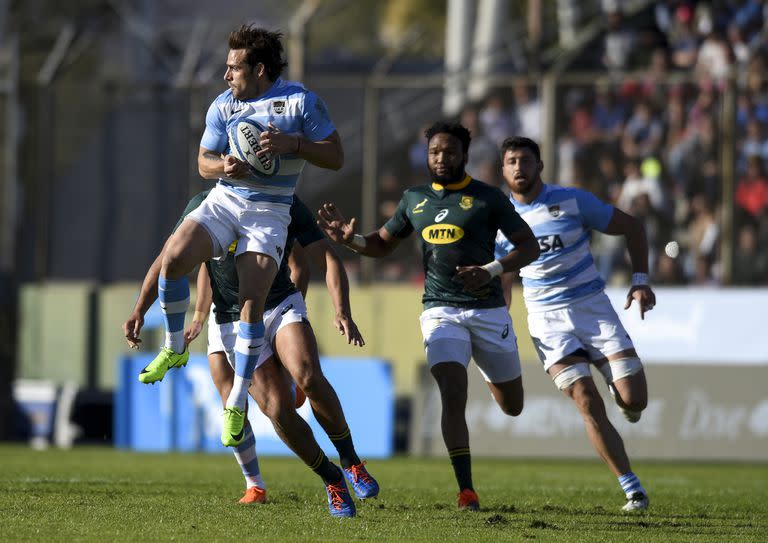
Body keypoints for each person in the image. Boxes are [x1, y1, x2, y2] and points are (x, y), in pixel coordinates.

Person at [136, 25, 344, 449]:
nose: (226, 76)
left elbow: (336, 156)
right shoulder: (223, 106)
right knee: (174, 258)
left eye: (234, 68)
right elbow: (202, 163)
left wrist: (295, 144)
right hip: (226, 198)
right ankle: (175, 346)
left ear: (259, 68)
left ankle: (235, 400)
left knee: (251, 301)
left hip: (269, 211)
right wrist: (224, 168)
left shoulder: (301, 102)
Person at [318, 121, 539, 511]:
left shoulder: (488, 198)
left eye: (449, 152)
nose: (441, 158)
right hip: (440, 310)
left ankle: (489, 369)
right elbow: (382, 245)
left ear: (464, 156)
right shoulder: (413, 199)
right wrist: (349, 239)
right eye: (435, 152)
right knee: (452, 392)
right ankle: (466, 490)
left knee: (513, 405)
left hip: (488, 311)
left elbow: (529, 247)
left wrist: (490, 270)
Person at [123, 192, 377, 518]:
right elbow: (167, 259)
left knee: (308, 375)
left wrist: (342, 309)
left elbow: (323, 257)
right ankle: (331, 479)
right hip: (232, 319)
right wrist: (140, 308)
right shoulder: (207, 203)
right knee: (276, 408)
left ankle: (351, 460)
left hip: (280, 304)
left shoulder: (283, 199)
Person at [494, 136, 655, 512]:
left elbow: (633, 227)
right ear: (503, 170)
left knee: (635, 400)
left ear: (540, 166)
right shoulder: (500, 222)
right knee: (585, 399)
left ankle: (624, 396)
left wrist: (641, 281)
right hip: (547, 321)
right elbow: (504, 279)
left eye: (526, 160)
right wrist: (501, 323)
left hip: (592, 308)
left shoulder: (571, 200)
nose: (519, 167)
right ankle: (632, 488)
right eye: (512, 161)